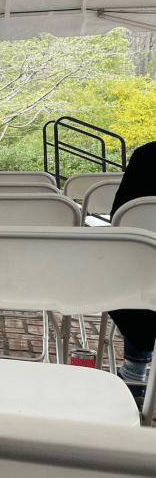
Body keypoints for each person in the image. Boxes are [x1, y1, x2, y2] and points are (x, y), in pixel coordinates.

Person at [109, 141, 156, 406]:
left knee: (136, 267)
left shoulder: (148, 155)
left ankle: (134, 372)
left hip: (144, 268)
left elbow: (121, 216)